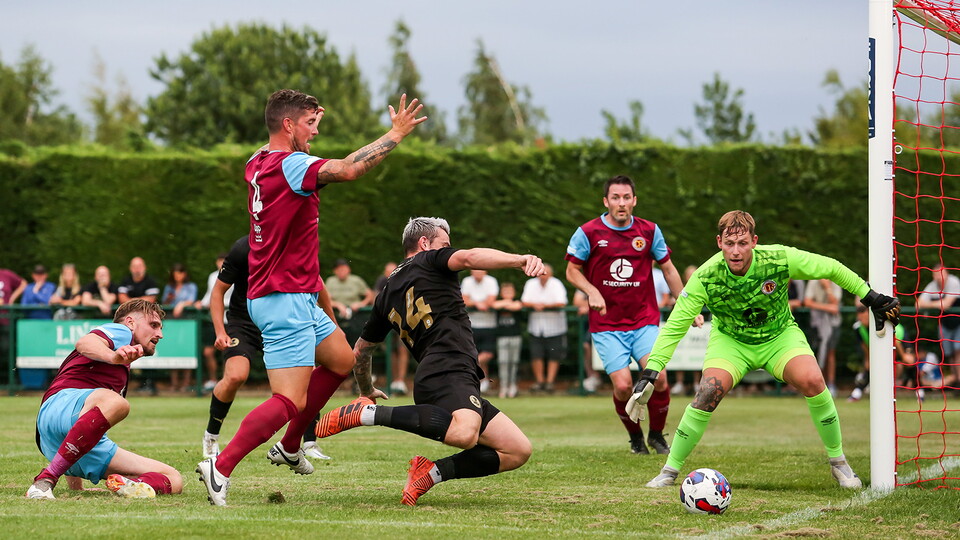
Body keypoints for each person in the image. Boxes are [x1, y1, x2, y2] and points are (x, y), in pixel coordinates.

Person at [196, 89, 425, 506]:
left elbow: (292, 158)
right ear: (288, 125)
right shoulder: (290, 164)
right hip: (282, 298)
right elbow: (348, 169)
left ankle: (290, 445)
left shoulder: (256, 161)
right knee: (288, 400)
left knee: (342, 360)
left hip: (295, 293)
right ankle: (221, 466)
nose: (315, 133)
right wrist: (395, 134)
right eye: (310, 124)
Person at [632, 210, 900, 489]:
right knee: (707, 392)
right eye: (729, 243)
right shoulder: (706, 276)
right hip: (731, 342)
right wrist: (652, 370)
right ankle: (669, 471)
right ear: (719, 242)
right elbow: (677, 322)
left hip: (779, 336)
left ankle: (838, 462)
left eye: (743, 243)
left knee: (813, 381)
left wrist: (870, 297)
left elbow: (831, 267)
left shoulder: (779, 258)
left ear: (755, 241)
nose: (736, 251)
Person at [315, 217, 541, 505]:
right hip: (448, 367)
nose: (449, 250)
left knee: (517, 450)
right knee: (464, 434)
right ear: (425, 244)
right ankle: (368, 415)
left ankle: (430, 473)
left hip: (442, 374)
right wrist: (519, 260)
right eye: (445, 244)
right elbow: (470, 257)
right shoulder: (431, 260)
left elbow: (361, 350)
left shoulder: (386, 292)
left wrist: (365, 390)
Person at [565, 175, 693, 455]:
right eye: (615, 197)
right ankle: (635, 437)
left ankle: (657, 436)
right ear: (606, 201)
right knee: (623, 387)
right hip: (607, 325)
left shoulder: (649, 231)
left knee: (659, 379)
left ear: (634, 201)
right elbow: (572, 271)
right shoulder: (588, 232)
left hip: (644, 320)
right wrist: (591, 291)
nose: (621, 203)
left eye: (626, 198)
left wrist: (686, 304)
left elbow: (669, 269)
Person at [25, 299, 183, 500]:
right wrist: (113, 357)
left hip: (54, 441)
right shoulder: (122, 332)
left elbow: (84, 429)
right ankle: (46, 479)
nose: (160, 334)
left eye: (160, 327)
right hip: (58, 408)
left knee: (173, 478)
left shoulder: (122, 364)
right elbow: (85, 343)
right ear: (130, 322)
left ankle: (130, 484)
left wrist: (76, 488)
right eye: (153, 325)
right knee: (117, 403)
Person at [201, 235, 332, 462]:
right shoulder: (244, 247)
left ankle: (308, 442)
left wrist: (332, 326)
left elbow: (318, 285)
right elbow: (218, 292)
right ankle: (211, 435)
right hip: (244, 323)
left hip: (283, 321)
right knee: (235, 376)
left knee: (307, 378)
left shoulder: (295, 243)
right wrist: (220, 331)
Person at [848, 299, 918, 402]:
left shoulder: (882, 321)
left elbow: (896, 342)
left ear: (869, 312)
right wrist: (868, 359)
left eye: (862, 312)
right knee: (869, 365)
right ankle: (857, 392)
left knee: (909, 361)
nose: (860, 316)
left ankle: (919, 391)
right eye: (858, 312)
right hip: (881, 349)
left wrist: (902, 357)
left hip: (900, 344)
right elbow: (864, 345)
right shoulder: (859, 328)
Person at [521, 263, 569, 393]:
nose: (543, 276)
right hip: (536, 327)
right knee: (536, 355)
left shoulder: (556, 284)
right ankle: (540, 381)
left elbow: (562, 302)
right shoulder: (530, 284)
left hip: (555, 327)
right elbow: (524, 301)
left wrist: (544, 306)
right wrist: (534, 305)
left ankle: (550, 382)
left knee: (554, 356)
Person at [118, 257, 162, 394]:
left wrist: (132, 304)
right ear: (131, 268)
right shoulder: (126, 281)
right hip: (129, 325)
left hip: (143, 322)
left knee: (148, 348)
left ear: (144, 267)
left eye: (140, 266)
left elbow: (151, 300)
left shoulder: (150, 281)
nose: (137, 269)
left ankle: (150, 382)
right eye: (134, 266)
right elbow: (121, 299)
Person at [916, 263, 960, 387]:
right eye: (936, 274)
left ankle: (959, 381)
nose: (940, 277)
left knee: (958, 351)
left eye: (942, 273)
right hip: (945, 324)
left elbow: (947, 304)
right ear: (933, 276)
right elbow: (918, 304)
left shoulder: (954, 282)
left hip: (958, 322)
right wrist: (938, 304)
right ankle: (956, 383)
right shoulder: (932, 286)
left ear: (947, 274)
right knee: (950, 354)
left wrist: (932, 304)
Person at [375, 261, 412, 395]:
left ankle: (400, 381)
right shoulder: (381, 282)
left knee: (403, 349)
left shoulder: (405, 278)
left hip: (404, 321)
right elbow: (377, 298)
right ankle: (393, 381)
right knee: (391, 351)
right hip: (387, 321)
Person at [461, 268, 499, 393]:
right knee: (475, 353)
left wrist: (477, 303)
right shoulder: (467, 281)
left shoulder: (491, 281)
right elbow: (464, 299)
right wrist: (478, 304)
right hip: (471, 324)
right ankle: (482, 380)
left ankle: (467, 369)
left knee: (486, 354)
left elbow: (491, 300)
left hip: (489, 325)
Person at [196, 252, 229, 393]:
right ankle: (213, 380)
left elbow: (231, 298)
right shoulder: (212, 276)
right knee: (208, 352)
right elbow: (211, 295)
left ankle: (228, 381)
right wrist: (201, 303)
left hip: (229, 320)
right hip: (213, 320)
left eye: (224, 261)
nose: (221, 263)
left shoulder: (235, 274)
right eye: (219, 261)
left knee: (228, 353)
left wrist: (214, 303)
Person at [162, 263, 198, 392]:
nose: (177, 276)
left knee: (186, 350)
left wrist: (181, 304)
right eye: (175, 273)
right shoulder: (169, 287)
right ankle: (174, 383)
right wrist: (168, 299)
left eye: (180, 273)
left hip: (186, 323)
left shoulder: (191, 287)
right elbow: (164, 303)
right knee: (173, 350)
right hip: (172, 323)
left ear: (184, 274)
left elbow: (191, 300)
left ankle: (186, 383)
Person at [804, 278, 842, 396]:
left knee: (830, 353)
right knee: (815, 354)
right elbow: (807, 302)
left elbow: (835, 304)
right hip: (816, 325)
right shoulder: (812, 282)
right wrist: (827, 307)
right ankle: (818, 385)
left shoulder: (836, 283)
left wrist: (827, 289)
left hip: (833, 324)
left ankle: (830, 384)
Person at [325, 258, 374, 349]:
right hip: (337, 318)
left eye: (344, 268)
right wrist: (338, 305)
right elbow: (325, 300)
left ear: (348, 269)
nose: (341, 271)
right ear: (335, 271)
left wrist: (361, 304)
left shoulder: (356, 280)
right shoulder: (330, 281)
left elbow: (370, 294)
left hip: (355, 318)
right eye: (339, 269)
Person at [493, 282, 523, 398]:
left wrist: (506, 304)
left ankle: (512, 386)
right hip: (502, 337)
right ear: (501, 293)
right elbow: (494, 305)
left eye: (510, 292)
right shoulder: (500, 303)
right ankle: (503, 387)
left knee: (514, 362)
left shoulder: (517, 302)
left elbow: (517, 306)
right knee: (503, 362)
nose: (508, 294)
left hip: (515, 336)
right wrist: (506, 303)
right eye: (505, 292)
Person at [572, 290, 602, 393]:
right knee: (586, 346)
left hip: (607, 322)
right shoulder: (584, 281)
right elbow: (576, 302)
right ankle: (593, 376)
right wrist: (594, 306)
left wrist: (589, 308)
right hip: (592, 324)